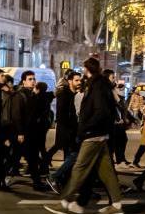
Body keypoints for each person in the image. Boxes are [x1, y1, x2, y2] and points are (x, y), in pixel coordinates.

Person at [58, 57, 124, 214]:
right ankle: (116, 205)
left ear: (87, 69)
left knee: (79, 168)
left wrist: (86, 128)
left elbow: (100, 111)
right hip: (99, 133)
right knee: (106, 172)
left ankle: (64, 201)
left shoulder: (97, 86)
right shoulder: (98, 84)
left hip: (93, 134)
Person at [21, 72, 50, 191]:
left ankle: (37, 181)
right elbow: (21, 115)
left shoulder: (32, 95)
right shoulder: (22, 94)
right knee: (18, 155)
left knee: (31, 157)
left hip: (32, 132)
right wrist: (20, 132)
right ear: (23, 81)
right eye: (29, 79)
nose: (33, 81)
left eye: (34, 79)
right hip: (25, 132)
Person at [49, 70, 81, 178]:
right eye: (76, 80)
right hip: (66, 128)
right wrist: (68, 126)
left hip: (72, 129)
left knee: (70, 153)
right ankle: (59, 177)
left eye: (79, 80)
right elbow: (62, 113)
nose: (79, 82)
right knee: (69, 153)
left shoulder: (73, 94)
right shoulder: (64, 93)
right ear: (70, 81)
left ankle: (64, 177)